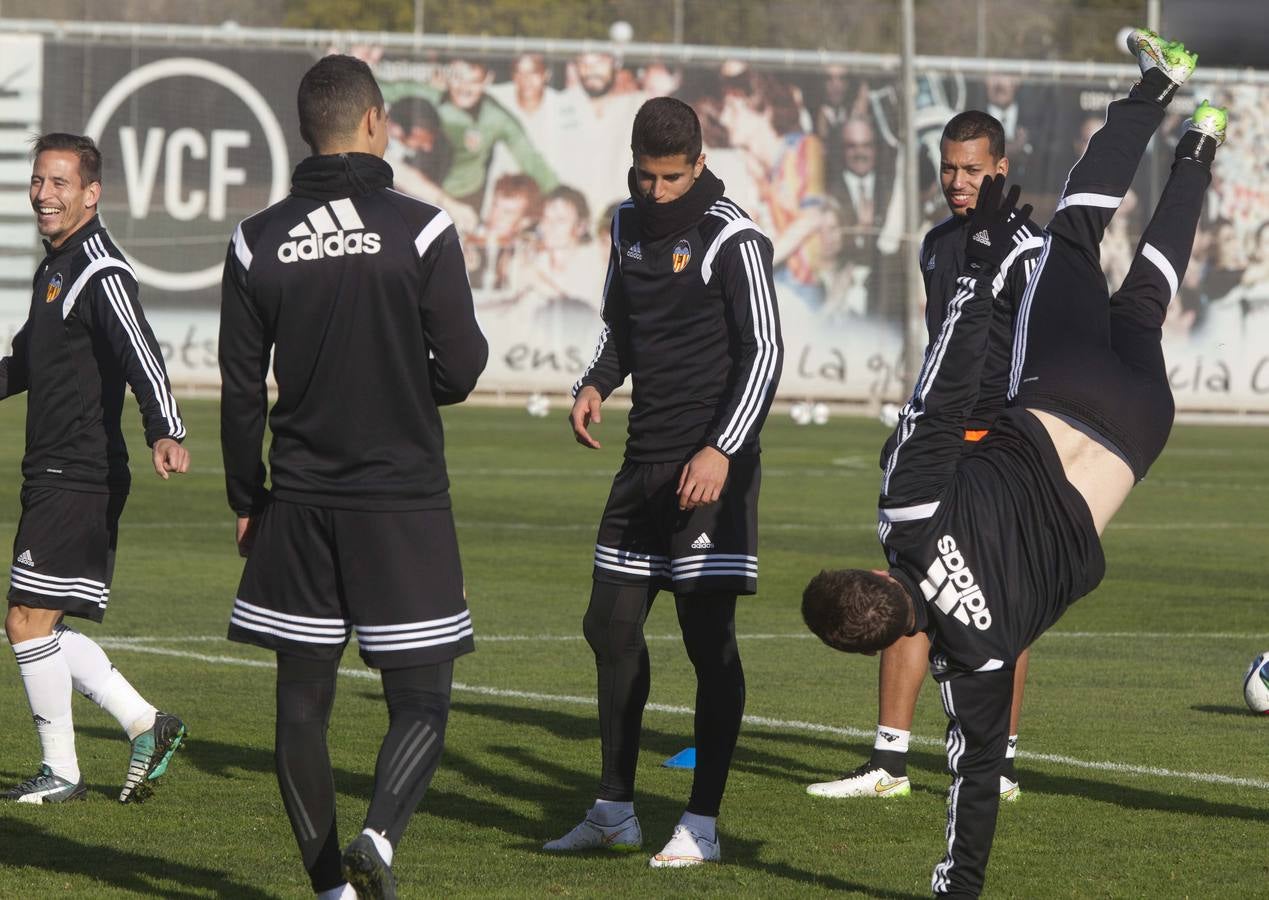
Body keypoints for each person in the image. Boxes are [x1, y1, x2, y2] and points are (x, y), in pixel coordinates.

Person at [802, 30, 1224, 898]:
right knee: (1074, 229)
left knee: (1145, 294)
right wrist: (988, 264)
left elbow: (974, 779)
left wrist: (959, 886)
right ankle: (1156, 86)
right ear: (868, 571)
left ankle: (1201, 147)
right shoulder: (905, 512)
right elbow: (949, 384)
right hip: (1053, 394)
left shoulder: (981, 655)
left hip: (1136, 430)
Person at [219, 55, 488, 900]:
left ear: (308, 129)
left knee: (301, 706)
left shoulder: (255, 237)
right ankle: (376, 837)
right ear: (374, 121)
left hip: (296, 500)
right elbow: (465, 365)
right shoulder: (422, 227)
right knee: (421, 700)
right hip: (399, 500)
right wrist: (415, 380)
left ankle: (329, 891)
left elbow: (238, 387)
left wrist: (246, 497)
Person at [544, 96, 782, 868]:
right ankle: (614, 809)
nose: (655, 192)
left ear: (699, 163)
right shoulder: (624, 223)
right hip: (641, 461)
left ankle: (702, 824)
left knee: (706, 644)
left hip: (711, 467)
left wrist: (719, 449)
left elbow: (764, 353)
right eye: (644, 177)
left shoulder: (732, 237)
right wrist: (594, 384)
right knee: (606, 627)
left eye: (670, 178)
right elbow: (624, 327)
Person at [807, 110, 1043, 801]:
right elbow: (942, 344)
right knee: (901, 589)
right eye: (948, 168)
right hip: (938, 442)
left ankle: (994, 764)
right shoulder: (936, 244)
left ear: (1000, 168)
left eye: (972, 169)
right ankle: (887, 764)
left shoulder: (1029, 250)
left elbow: (1041, 349)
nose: (957, 181)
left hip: (1002, 447)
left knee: (1003, 604)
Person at [2, 132, 189, 805]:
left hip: (80, 472)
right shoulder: (55, 268)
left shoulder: (99, 270)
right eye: (38, 181)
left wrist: (165, 427)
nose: (44, 195)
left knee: (27, 620)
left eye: (59, 184)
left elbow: (142, 350)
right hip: (51, 468)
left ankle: (63, 772)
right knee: (32, 621)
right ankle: (145, 721)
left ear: (90, 193)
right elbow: (25, 364)